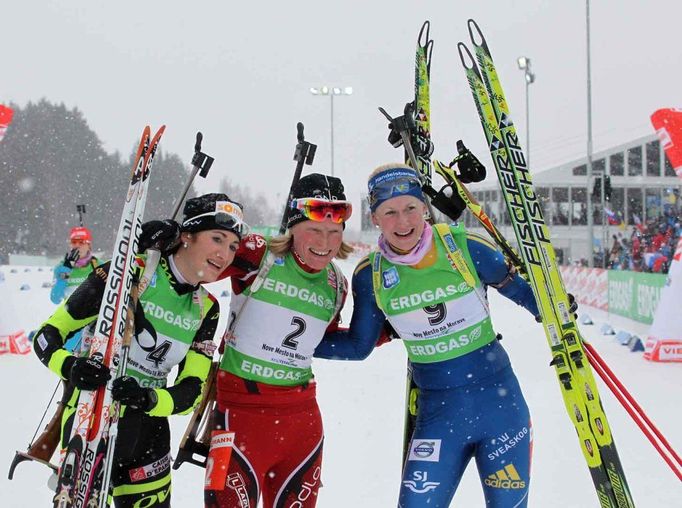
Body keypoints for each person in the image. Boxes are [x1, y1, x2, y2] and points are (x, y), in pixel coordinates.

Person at [314, 164, 540, 508]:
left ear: (424, 208)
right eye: (389, 212)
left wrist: (553, 310)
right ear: (375, 217)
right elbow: (360, 346)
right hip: (439, 414)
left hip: (499, 405)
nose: (402, 222)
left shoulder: (465, 247)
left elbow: (524, 294)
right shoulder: (371, 275)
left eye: (410, 208)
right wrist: (294, 345)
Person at [32, 193, 247, 507]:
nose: (224, 254)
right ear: (187, 236)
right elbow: (46, 337)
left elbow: (191, 392)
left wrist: (148, 398)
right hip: (93, 419)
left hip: (148, 434)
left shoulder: (206, 309)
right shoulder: (128, 273)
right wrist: (73, 369)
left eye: (232, 246)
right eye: (217, 238)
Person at [204, 174, 353, 508]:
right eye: (313, 229)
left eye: (333, 232)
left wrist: (388, 332)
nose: (324, 241)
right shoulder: (260, 255)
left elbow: (321, 341)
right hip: (239, 417)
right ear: (292, 227)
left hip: (301, 425)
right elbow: (201, 266)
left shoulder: (337, 284)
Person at [49, 226, 100, 351]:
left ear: (89, 245)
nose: (77, 246)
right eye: (74, 242)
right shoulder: (61, 268)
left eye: (81, 242)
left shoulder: (98, 265)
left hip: (93, 325)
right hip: (71, 325)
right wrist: (65, 273)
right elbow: (55, 298)